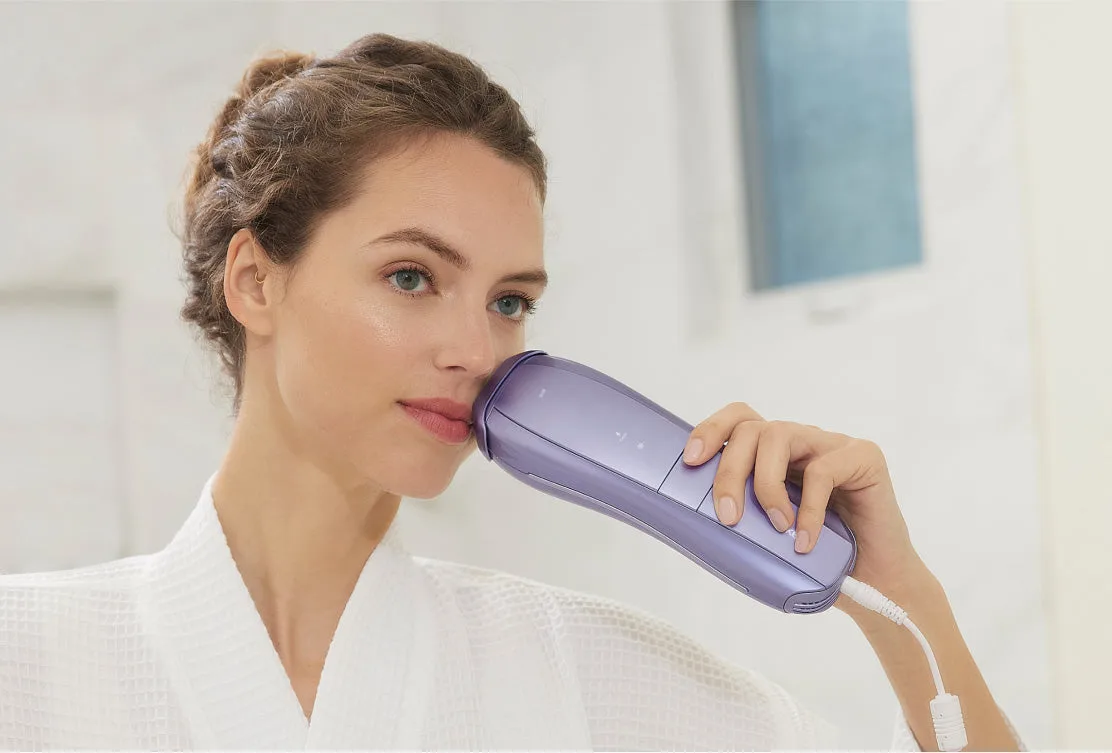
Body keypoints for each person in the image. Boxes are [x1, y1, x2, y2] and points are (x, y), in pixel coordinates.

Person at [0, 33, 1022, 750]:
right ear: (256, 281)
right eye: (412, 277)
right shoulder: (28, 656)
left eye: (509, 301)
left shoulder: (593, 672)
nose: (475, 349)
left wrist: (900, 597)